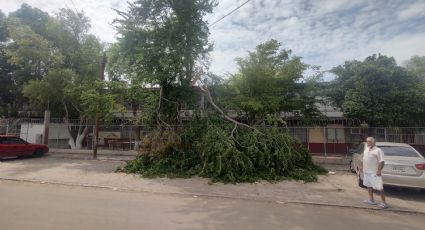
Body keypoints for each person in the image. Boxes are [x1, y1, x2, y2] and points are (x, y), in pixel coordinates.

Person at [361, 137, 388, 209]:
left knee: (379, 187)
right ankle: (371, 199)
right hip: (366, 171)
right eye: (367, 141)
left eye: (370, 141)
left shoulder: (378, 150)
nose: (368, 143)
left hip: (374, 172)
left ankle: (384, 203)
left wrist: (379, 170)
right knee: (369, 185)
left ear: (374, 142)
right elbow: (365, 159)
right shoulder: (366, 149)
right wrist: (362, 167)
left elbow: (381, 161)